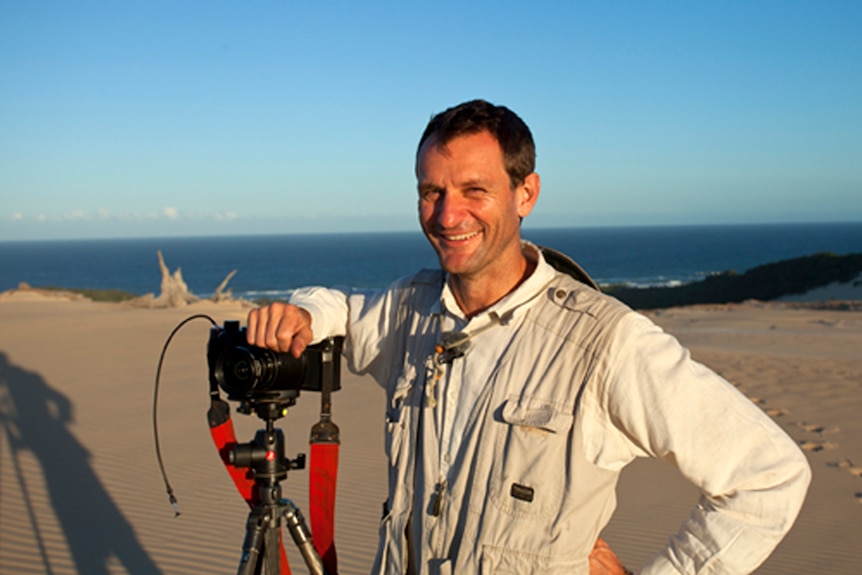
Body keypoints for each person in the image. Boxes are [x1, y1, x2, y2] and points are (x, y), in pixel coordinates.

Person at [246, 99, 810, 574]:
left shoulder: (606, 342)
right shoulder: (407, 310)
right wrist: (304, 312)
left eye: (474, 190)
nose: (447, 215)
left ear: (526, 193)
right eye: (430, 192)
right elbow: (342, 307)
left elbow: (769, 477)